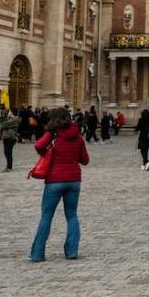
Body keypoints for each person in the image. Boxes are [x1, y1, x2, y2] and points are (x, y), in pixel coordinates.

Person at [28, 108, 90, 261]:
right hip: (74, 180)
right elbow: (85, 160)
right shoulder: (78, 136)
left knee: (46, 216)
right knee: (72, 215)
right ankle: (71, 251)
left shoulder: (54, 133)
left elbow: (38, 146)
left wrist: (46, 151)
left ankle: (37, 254)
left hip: (55, 180)